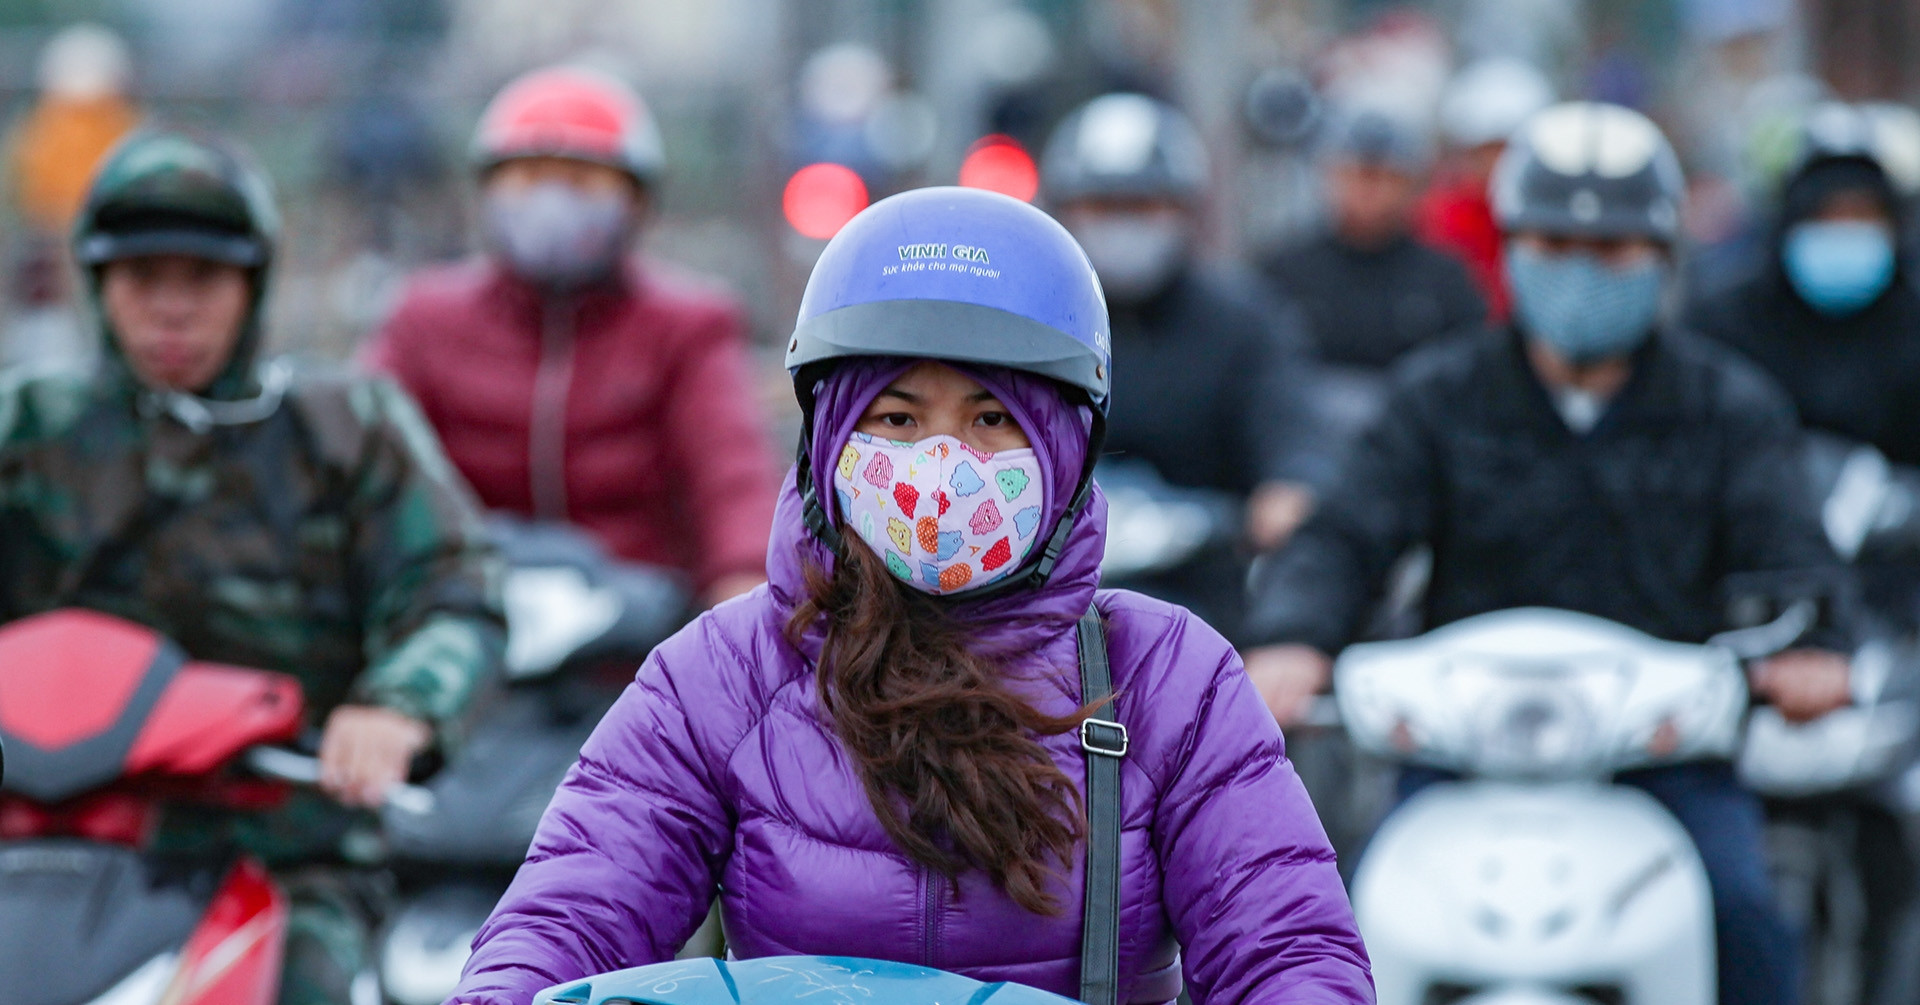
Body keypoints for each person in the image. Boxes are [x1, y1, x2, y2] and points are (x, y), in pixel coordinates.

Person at [447, 186, 1374, 1005]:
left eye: (990, 419)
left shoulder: (1168, 677)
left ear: (1063, 448)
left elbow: (1289, 952)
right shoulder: (723, 673)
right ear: (829, 444)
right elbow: (570, 914)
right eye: (897, 418)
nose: (944, 466)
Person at [1242, 103, 1854, 1005]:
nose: (1580, 271)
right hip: (1461, 753)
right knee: (1343, 924)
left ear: (1663, 261)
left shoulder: (1730, 406)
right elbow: (1346, 533)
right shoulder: (1439, 397)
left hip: (1662, 762)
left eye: (1612, 252)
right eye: (1553, 245)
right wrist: (1294, 634)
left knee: (1745, 916)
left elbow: (1794, 551)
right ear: (1513, 251)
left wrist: (1816, 647)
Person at [0, 128, 503, 1004]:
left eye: (201, 279)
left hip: (282, 846)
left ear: (253, 282)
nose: (171, 308)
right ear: (97, 284)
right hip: (43, 839)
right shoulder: (29, 426)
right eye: (142, 278)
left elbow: (452, 589)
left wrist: (395, 707)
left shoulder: (344, 427)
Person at [364, 64, 778, 607]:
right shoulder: (423, 320)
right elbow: (366, 468)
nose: (552, 201)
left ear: (636, 200)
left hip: (636, 631)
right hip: (465, 612)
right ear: (486, 193)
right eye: (529, 178)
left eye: (583, 181)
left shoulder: (688, 326)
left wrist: (744, 604)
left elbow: (732, 481)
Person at [1687, 102, 1920, 1005]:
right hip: (1744, 635)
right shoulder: (1721, 330)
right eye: (1824, 219)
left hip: (1892, 633)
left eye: (1862, 220)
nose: (1842, 240)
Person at [1040, 92, 1324, 635]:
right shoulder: (1029, 318)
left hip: (1197, 592)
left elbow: (1290, 419)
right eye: (1102, 207)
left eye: (1143, 207)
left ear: (1185, 211)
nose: (1122, 226)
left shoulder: (1242, 318)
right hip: (1040, 582)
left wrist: (1291, 486)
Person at [1263, 107, 1486, 371]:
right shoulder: (1284, 271)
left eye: (1386, 177)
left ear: (1413, 185)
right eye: (1355, 174)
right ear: (1328, 177)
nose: (1369, 191)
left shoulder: (1445, 278)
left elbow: (1468, 367)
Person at [1415, 58, 1556, 320]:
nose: (1499, 163)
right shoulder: (1439, 217)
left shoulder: (1554, 218)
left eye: (1509, 149)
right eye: (1488, 150)